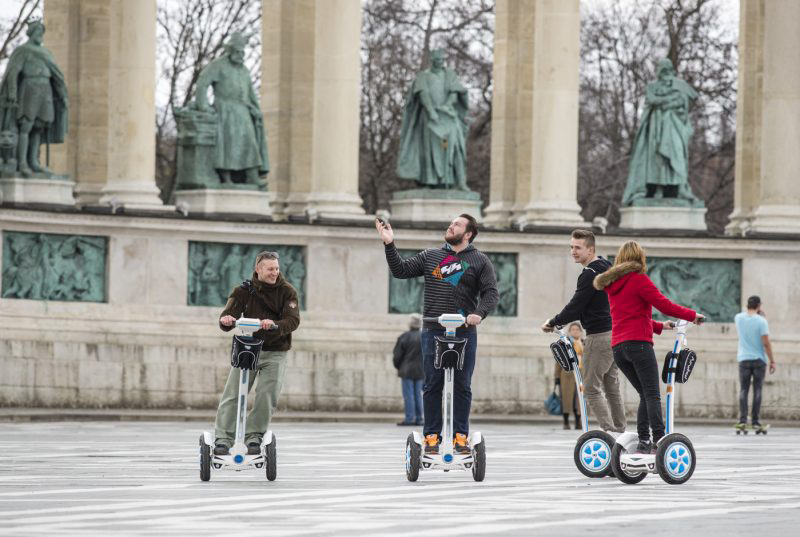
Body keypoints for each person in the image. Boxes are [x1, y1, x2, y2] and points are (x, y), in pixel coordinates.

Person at [376, 214, 498, 455]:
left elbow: (491, 293)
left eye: (457, 225)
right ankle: (431, 436)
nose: (451, 226)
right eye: (451, 223)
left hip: (464, 330)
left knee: (462, 385)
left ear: (468, 234)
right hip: (433, 329)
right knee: (432, 384)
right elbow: (400, 270)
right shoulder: (431, 255)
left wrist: (478, 313)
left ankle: (460, 436)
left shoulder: (480, 260)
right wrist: (389, 244)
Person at [593, 240, 703, 454]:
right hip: (639, 346)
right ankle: (659, 439)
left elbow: (629, 316)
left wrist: (660, 326)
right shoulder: (638, 279)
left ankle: (644, 441)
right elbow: (664, 304)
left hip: (619, 349)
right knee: (652, 394)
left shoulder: (612, 285)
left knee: (644, 394)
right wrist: (692, 315)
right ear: (639, 258)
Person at [213, 251, 300, 455]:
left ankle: (254, 436)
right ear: (258, 269)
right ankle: (223, 438)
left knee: (266, 396)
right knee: (233, 394)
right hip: (248, 348)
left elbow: (293, 320)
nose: (274, 273)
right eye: (270, 269)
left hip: (275, 351)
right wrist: (226, 320)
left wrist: (275, 324)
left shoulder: (287, 291)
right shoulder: (243, 291)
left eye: (276, 268)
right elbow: (228, 315)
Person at [542, 229, 627, 433]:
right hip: (615, 334)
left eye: (578, 248)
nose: (573, 251)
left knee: (590, 388)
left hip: (599, 336)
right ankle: (621, 431)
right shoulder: (608, 267)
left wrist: (553, 322)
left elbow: (576, 306)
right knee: (611, 386)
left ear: (591, 250)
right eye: (571, 247)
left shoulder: (589, 274)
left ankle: (609, 433)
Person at [194, 32, 269, 185]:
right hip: (225, 109)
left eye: (243, 52)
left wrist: (255, 108)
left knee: (249, 142)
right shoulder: (218, 65)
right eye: (238, 51)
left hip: (243, 110)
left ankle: (252, 175)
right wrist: (204, 106)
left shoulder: (244, 70)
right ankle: (226, 177)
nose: (241, 55)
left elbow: (249, 93)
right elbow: (202, 83)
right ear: (231, 51)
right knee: (227, 144)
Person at [0, 19, 68, 176]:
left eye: (42, 32)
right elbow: (13, 72)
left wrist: (63, 95)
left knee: (39, 127)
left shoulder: (47, 53)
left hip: (45, 90)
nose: (40, 35)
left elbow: (57, 76)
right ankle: (22, 163)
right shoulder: (22, 51)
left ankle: (34, 162)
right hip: (29, 89)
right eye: (38, 32)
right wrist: (12, 93)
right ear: (31, 33)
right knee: (26, 126)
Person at [395, 48, 469, 190]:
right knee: (430, 150)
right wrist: (431, 112)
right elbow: (423, 94)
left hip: (448, 117)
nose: (440, 62)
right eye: (437, 60)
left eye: (442, 60)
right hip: (430, 118)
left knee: (456, 148)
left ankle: (460, 181)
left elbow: (455, 92)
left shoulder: (450, 74)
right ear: (432, 60)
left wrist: (447, 106)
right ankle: (430, 181)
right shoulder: (423, 76)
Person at [734, 295, 776, 431]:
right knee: (757, 390)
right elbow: (766, 343)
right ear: (758, 306)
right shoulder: (762, 321)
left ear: (748, 305)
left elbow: (744, 313)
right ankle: (756, 422)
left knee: (743, 390)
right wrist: (772, 361)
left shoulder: (738, 318)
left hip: (743, 358)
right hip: (759, 360)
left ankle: (742, 421)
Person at [393, 313, 424, 426]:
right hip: (420, 370)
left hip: (406, 370)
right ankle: (419, 418)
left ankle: (410, 418)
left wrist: (399, 366)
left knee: (409, 395)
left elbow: (397, 356)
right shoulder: (424, 337)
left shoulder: (404, 337)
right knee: (418, 395)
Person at [553, 323, 584, 430]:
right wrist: (557, 377)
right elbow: (559, 361)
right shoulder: (565, 344)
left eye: (577, 329)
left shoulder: (584, 343)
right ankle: (566, 421)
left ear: (580, 332)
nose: (575, 331)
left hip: (581, 374)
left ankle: (578, 422)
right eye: (573, 329)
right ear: (569, 332)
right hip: (567, 375)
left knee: (579, 399)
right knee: (566, 398)